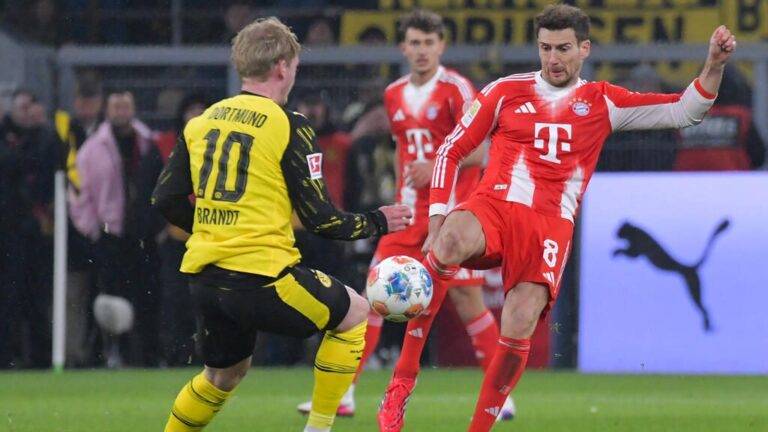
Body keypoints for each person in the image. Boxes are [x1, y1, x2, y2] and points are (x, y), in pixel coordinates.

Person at [377, 5, 737, 431]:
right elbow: (451, 150)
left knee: (519, 319)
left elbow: (685, 110)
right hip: (494, 204)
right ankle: (402, 382)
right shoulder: (504, 91)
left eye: (563, 48)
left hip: (549, 225)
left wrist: (712, 66)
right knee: (450, 240)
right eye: (546, 48)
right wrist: (437, 215)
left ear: (584, 49)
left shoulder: (602, 101)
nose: (553, 59)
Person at [152, 17, 412, 432]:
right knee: (356, 313)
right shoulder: (289, 124)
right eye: (294, 65)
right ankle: (318, 428)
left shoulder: (201, 122)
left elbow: (163, 198)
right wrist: (379, 220)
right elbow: (321, 219)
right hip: (260, 278)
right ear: (282, 67)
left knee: (222, 377)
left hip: (205, 280)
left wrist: (210, 228)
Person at [298, 9, 515, 423]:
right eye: (414, 43)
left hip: (451, 214)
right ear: (403, 48)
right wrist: (401, 194)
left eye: (429, 43)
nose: (421, 50)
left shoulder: (457, 89)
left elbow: (484, 150)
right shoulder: (394, 93)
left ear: (441, 46)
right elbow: (401, 148)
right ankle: (345, 392)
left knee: (468, 301)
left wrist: (433, 163)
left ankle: (500, 395)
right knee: (372, 295)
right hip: (409, 214)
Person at [69, 90, 165, 368]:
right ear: (106, 109)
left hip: (143, 234)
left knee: (148, 298)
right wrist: (92, 230)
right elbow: (78, 195)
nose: (121, 111)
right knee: (111, 300)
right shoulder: (92, 148)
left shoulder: (148, 142)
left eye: (126, 106)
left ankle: (149, 355)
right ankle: (113, 353)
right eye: (116, 106)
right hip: (111, 235)